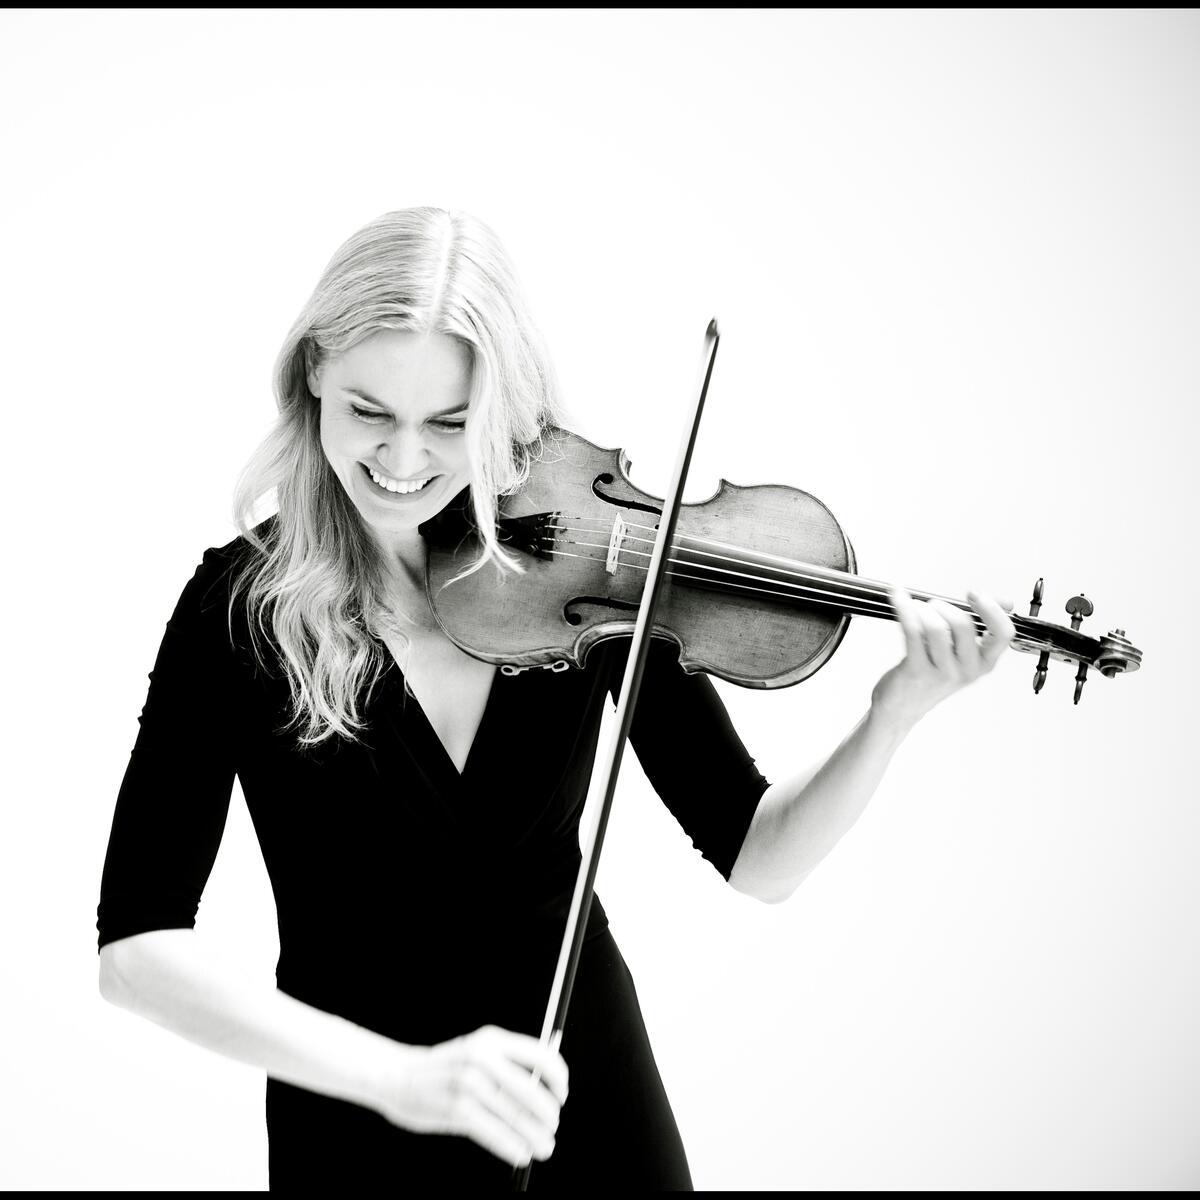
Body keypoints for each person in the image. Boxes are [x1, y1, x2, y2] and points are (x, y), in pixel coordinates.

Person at [96, 206, 1016, 1191]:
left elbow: (759, 853)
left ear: (500, 409)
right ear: (314, 366)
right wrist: (403, 1081)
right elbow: (136, 950)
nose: (403, 464)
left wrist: (896, 713)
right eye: (370, 412)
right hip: (356, 1116)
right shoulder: (237, 609)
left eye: (450, 423)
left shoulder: (597, 570)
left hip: (584, 1090)